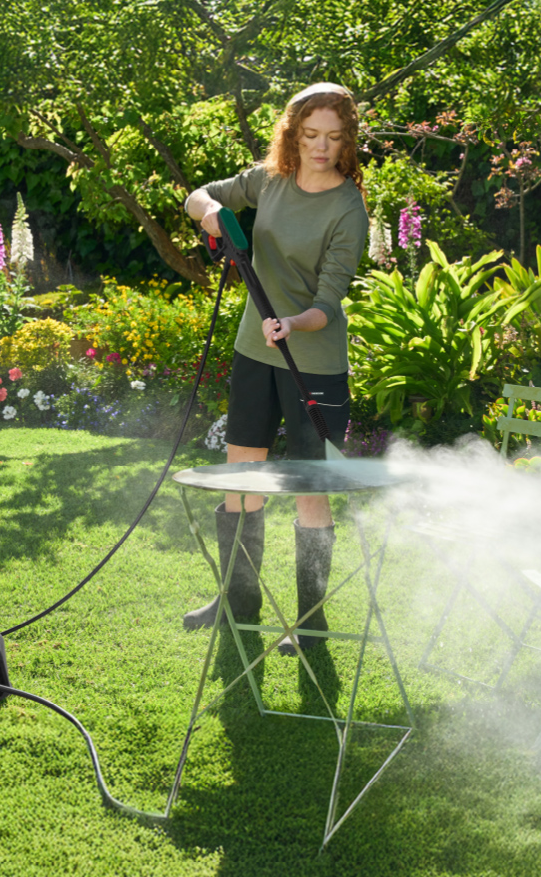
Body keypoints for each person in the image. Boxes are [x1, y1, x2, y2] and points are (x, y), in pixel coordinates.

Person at [182, 82, 370, 654]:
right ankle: (238, 603)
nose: (321, 147)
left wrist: (294, 321)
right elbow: (197, 196)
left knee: (310, 490)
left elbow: (328, 301)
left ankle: (310, 623)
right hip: (252, 353)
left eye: (333, 138)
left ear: (346, 141)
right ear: (293, 134)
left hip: (311, 363)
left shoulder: (347, 207)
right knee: (243, 479)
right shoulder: (269, 180)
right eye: (310, 135)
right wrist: (211, 211)